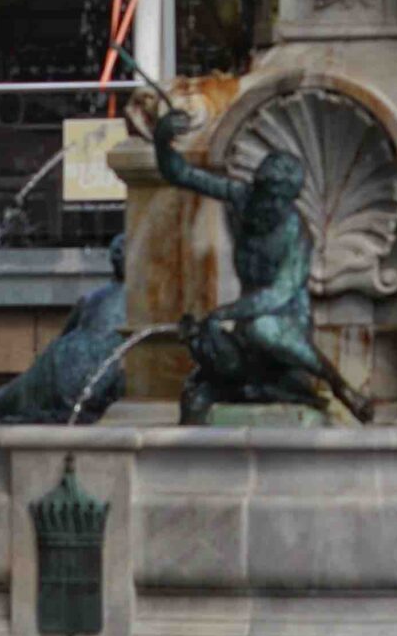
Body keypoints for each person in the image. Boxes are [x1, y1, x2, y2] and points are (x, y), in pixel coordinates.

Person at [152, 107, 373, 425]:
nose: (266, 205)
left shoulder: (296, 234)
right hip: (246, 323)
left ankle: (339, 385)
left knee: (261, 327)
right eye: (263, 194)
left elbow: (276, 296)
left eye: (276, 200)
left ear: (290, 201)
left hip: (286, 325)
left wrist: (223, 313)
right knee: (201, 377)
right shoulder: (241, 198)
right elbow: (181, 175)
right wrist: (162, 142)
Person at [0, 235, 129, 427]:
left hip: (61, 360)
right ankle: (0, 398)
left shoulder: (92, 297)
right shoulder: (145, 300)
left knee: (28, 388)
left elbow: (66, 335)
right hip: (95, 372)